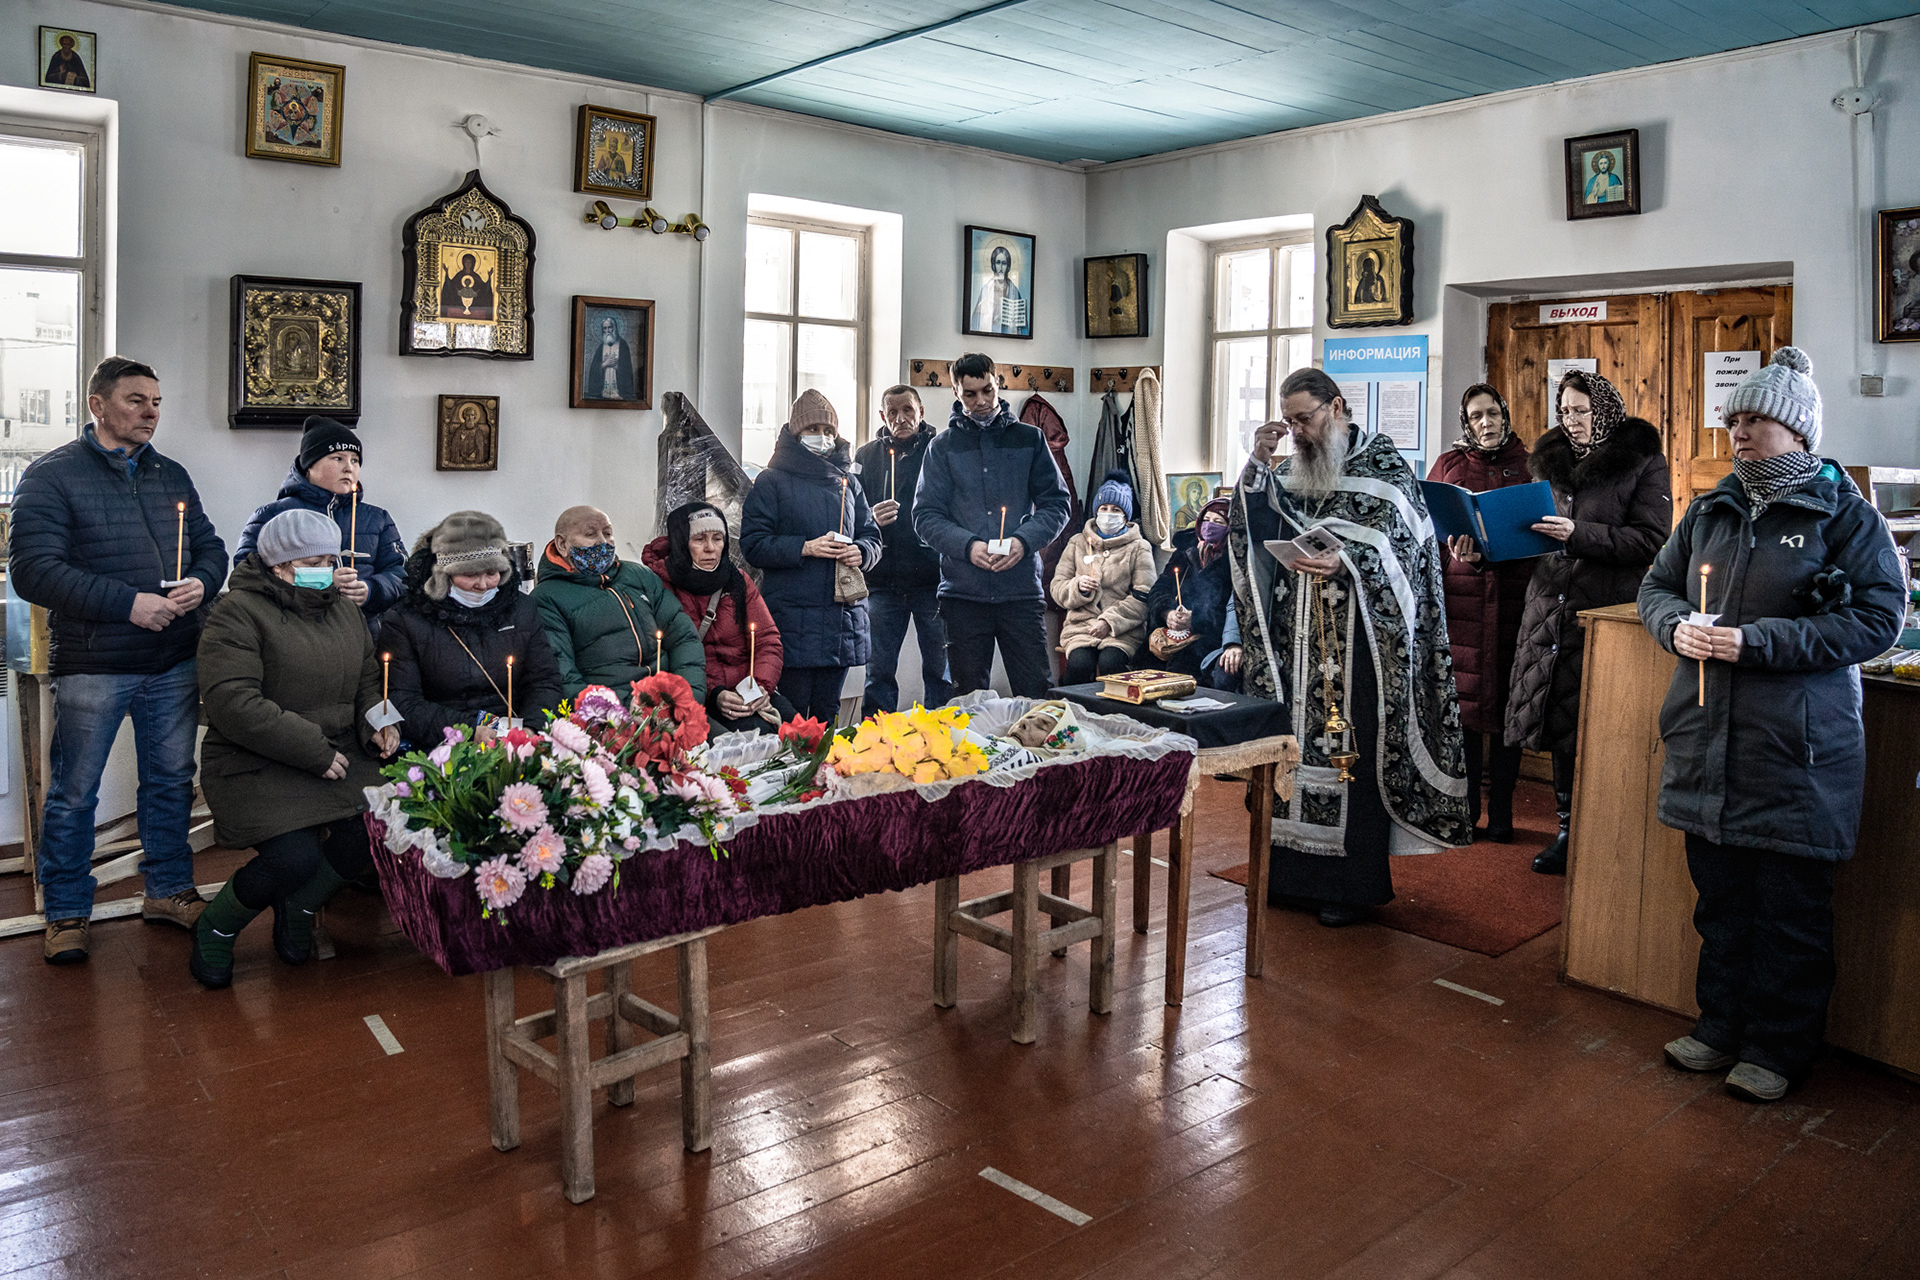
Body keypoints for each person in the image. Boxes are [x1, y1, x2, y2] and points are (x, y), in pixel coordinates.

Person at [1639, 348, 1902, 1102]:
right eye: (1735, 420)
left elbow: (1878, 618)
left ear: (1798, 430)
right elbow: (1657, 585)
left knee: (1791, 915)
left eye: (1755, 419)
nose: (1739, 431)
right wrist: (1675, 626)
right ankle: (1719, 1027)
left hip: (1797, 751)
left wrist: (1756, 643)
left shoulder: (1845, 514)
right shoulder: (1711, 509)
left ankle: (1778, 1049)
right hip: (1707, 743)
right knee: (1721, 904)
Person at [1229, 371, 1470, 928]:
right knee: (1292, 751)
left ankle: (1347, 888)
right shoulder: (1288, 470)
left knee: (1348, 755)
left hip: (1359, 647)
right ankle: (1287, 878)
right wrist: (1256, 467)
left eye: (1304, 419)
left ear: (1336, 407)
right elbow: (1251, 529)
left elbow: (1408, 551)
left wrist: (1350, 562)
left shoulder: (1386, 468)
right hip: (1295, 644)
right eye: (1288, 421)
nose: (1296, 432)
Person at [9, 356, 228, 965]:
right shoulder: (52, 475)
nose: (151, 412)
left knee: (170, 781)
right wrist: (127, 604)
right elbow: (32, 570)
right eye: (136, 400)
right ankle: (66, 911)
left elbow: (211, 547)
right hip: (95, 663)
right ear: (97, 405)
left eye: (156, 402)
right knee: (75, 792)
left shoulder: (170, 473)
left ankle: (168, 890)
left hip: (172, 658)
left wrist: (202, 582)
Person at [190, 510, 400, 988]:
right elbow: (233, 702)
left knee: (380, 826)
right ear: (279, 565)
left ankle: (300, 905)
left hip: (337, 754)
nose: (326, 571)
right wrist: (313, 751)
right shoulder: (237, 612)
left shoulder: (344, 610)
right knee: (293, 857)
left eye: (330, 560)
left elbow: (367, 682)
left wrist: (379, 721)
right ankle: (217, 926)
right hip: (256, 759)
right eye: (313, 562)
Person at [1505, 370, 1669, 875]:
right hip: (1548, 607)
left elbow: (1651, 539)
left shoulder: (1641, 458)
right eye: (1564, 411)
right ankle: (1566, 829)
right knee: (1558, 723)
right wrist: (1485, 547)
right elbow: (1532, 531)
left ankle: (1603, 829)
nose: (1571, 420)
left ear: (1605, 410)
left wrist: (1578, 533)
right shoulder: (1550, 459)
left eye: (1581, 410)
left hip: (1603, 611)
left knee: (1599, 724)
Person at [914, 353, 1072, 699]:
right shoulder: (941, 447)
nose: (982, 401)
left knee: (1036, 695)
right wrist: (968, 546)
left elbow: (1058, 504)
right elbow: (925, 516)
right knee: (967, 702)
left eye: (987, 390)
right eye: (970, 394)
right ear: (956, 393)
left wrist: (1023, 541)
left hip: (1020, 592)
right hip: (963, 594)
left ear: (997, 383)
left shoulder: (1030, 439)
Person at [1427, 384, 1533, 842]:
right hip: (1463, 603)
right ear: (1466, 422)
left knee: (1511, 708)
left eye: (1492, 413)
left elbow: (1545, 535)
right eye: (1476, 416)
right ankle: (1468, 806)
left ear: (1504, 415)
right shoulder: (1449, 466)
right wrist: (1456, 553)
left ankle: (1503, 808)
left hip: (1515, 599)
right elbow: (1429, 533)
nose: (1486, 423)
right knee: (1466, 709)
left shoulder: (1530, 465)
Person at [740, 390, 883, 722]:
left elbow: (872, 536)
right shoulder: (771, 481)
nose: (823, 437)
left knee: (828, 712)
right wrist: (805, 547)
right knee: (793, 714)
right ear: (796, 433)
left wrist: (861, 551)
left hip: (842, 619)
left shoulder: (849, 483)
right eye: (813, 429)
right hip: (793, 618)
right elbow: (753, 544)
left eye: (829, 430)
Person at [383, 511, 564, 745]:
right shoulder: (405, 619)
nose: (482, 584)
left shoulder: (522, 608)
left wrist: (530, 728)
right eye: (469, 574)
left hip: (518, 733)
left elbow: (544, 680)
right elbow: (404, 701)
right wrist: (472, 730)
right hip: (445, 740)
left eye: (491, 573)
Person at [235, 417, 407, 627]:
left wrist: (371, 589)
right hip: (292, 628)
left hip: (362, 631)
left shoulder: (378, 519)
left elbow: (401, 573)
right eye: (338, 458)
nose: (349, 468)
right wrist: (322, 581)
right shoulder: (272, 515)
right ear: (310, 465)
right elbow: (247, 573)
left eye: (355, 460)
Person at [532, 505, 706, 705]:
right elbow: (563, 679)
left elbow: (684, 639)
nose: (603, 541)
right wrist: (628, 708)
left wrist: (687, 698)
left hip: (671, 701)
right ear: (562, 544)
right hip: (612, 713)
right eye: (590, 534)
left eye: (608, 533)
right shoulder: (546, 598)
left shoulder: (640, 575)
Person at [642, 502, 792, 735]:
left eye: (718, 538)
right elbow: (666, 654)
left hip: (747, 688)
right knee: (747, 743)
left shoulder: (737, 580)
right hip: (698, 694)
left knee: (803, 736)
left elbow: (767, 639)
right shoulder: (660, 585)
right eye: (699, 539)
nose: (711, 548)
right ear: (681, 543)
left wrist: (761, 685)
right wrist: (714, 693)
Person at [855, 385, 951, 715]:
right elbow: (849, 514)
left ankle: (942, 733)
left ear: (921, 412)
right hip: (882, 583)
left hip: (933, 581)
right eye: (893, 412)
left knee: (939, 671)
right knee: (878, 672)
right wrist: (871, 517)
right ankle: (875, 736)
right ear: (883, 416)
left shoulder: (941, 451)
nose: (901, 418)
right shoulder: (866, 456)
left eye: (907, 410)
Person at [1051, 470, 1155, 685]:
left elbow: (1144, 595)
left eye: (1116, 510)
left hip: (1122, 630)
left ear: (1125, 516)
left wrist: (1109, 621)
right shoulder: (1077, 542)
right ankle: (1072, 704)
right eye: (1104, 508)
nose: (1109, 513)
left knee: (1111, 663)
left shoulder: (1139, 547)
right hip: (1081, 627)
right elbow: (1057, 586)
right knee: (1079, 665)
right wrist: (1077, 588)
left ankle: (1116, 706)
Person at [1145, 494, 1241, 691]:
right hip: (1171, 637)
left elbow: (1234, 609)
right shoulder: (1186, 551)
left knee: (1182, 671)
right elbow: (1159, 589)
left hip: (1208, 640)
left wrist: (1195, 619)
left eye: (1218, 522)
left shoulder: (1236, 559)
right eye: (1206, 520)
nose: (1209, 526)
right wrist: (1168, 613)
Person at [970, 245, 1025, 335]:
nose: (1001, 267)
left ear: (1008, 266)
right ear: (993, 265)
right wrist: (990, 317)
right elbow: (976, 320)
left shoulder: (1013, 291)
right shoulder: (987, 289)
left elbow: (1020, 324)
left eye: (1004, 263)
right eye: (998, 263)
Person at [585, 314, 636, 401]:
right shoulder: (601, 347)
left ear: (614, 328)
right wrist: (604, 364)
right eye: (605, 328)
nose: (607, 331)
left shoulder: (623, 345)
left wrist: (618, 367)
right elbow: (593, 369)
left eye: (610, 327)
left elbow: (628, 368)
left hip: (619, 392)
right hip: (603, 392)